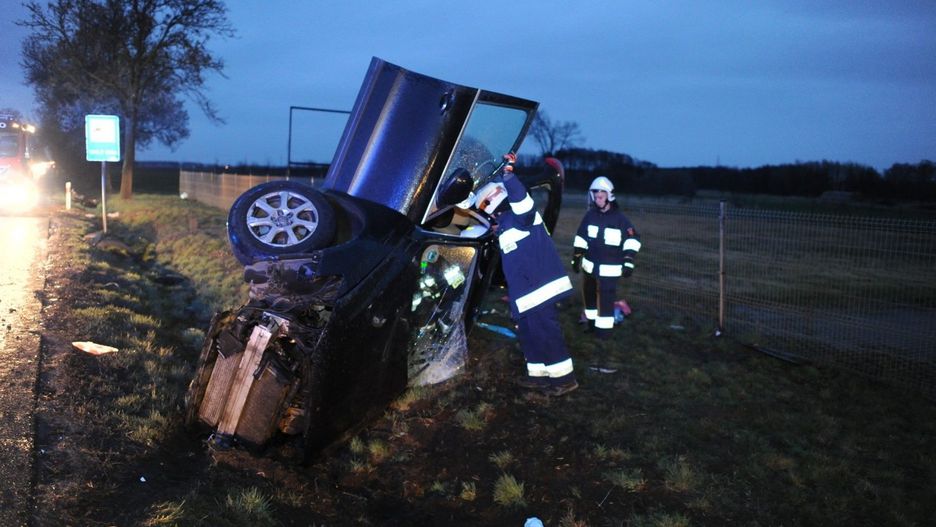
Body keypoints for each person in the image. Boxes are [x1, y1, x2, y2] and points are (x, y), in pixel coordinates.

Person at [474, 153, 578, 396]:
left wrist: (509, 175)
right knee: (529, 334)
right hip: (524, 294)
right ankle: (539, 376)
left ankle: (564, 379)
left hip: (540, 290)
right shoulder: (507, 224)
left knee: (545, 331)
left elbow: (522, 201)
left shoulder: (523, 215)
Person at [571, 176, 641, 372]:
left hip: (609, 270)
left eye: (601, 195)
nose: (598, 199)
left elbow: (633, 239)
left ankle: (603, 335)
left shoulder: (620, 219)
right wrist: (577, 256)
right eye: (596, 195)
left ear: (609, 196)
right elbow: (581, 237)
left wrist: (628, 260)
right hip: (590, 268)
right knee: (590, 298)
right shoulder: (590, 216)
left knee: (606, 301)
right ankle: (591, 325)